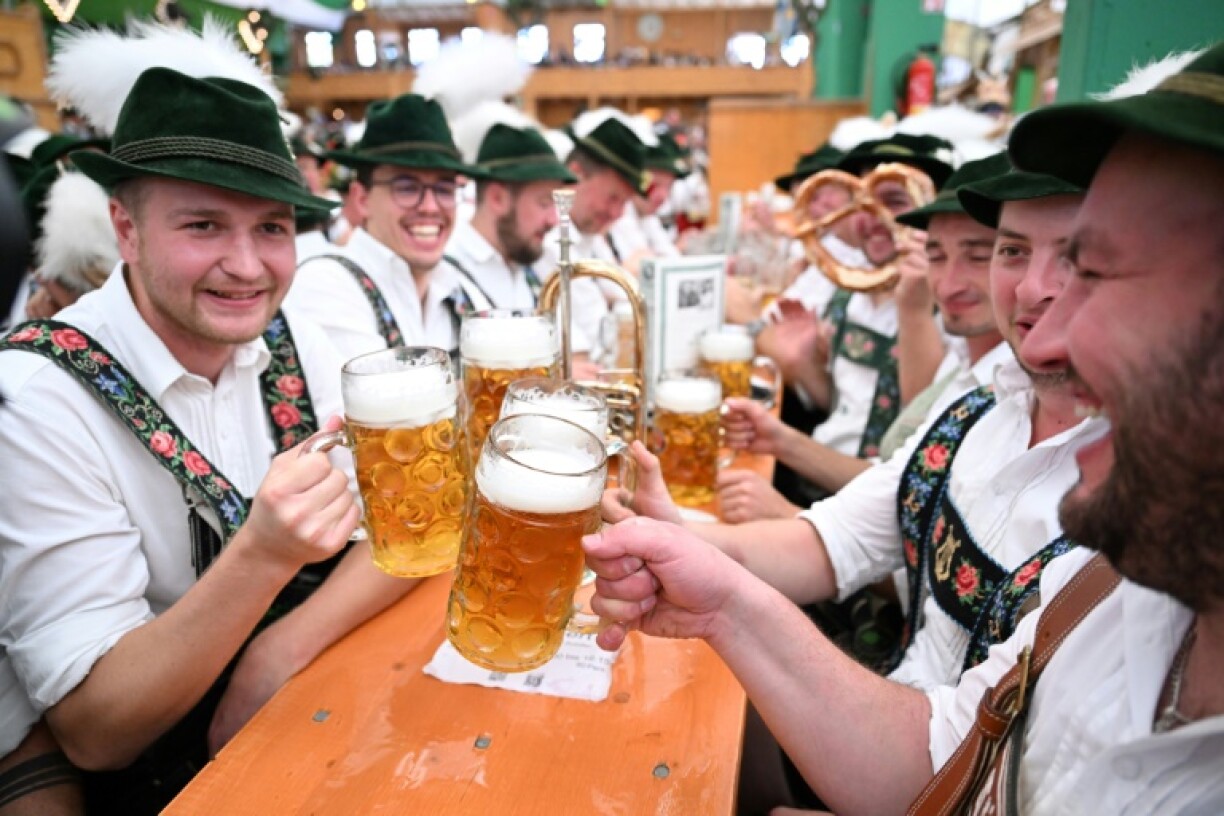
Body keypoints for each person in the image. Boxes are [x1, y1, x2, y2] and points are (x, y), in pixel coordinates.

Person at [586, 43, 1224, 813]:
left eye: (1095, 269)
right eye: (1015, 253)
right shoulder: (1100, 567)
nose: (1042, 322)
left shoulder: (1111, 531)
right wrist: (709, 576)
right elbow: (941, 751)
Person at [0, 68, 414, 814]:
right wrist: (263, 554)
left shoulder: (299, 339)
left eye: (272, 228)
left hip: (306, 718)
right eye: (203, 225)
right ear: (125, 228)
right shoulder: (37, 398)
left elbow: (412, 531)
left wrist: (275, 651)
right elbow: (98, 732)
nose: (248, 266)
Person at [721, 153, 1015, 523]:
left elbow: (907, 452)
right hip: (832, 492)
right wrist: (801, 370)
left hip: (852, 507)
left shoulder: (956, 323)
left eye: (892, 202)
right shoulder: (849, 290)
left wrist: (789, 513)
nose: (871, 217)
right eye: (859, 202)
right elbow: (864, 423)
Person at [283, 94, 483, 361]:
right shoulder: (324, 283)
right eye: (407, 188)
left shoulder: (459, 283)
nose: (430, 207)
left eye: (445, 189)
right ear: (361, 199)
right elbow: (385, 398)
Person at [538, 110, 650, 367]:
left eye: (624, 203)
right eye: (613, 198)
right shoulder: (551, 240)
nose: (617, 213)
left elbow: (623, 295)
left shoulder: (590, 234)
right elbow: (591, 343)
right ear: (577, 174)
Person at [442, 123, 576, 312]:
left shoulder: (529, 261)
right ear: (497, 198)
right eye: (544, 203)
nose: (553, 220)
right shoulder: (445, 272)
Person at [605, 131, 689, 271]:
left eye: (668, 187)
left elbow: (671, 258)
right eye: (656, 185)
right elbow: (643, 267)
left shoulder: (647, 215)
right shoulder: (621, 213)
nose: (663, 195)